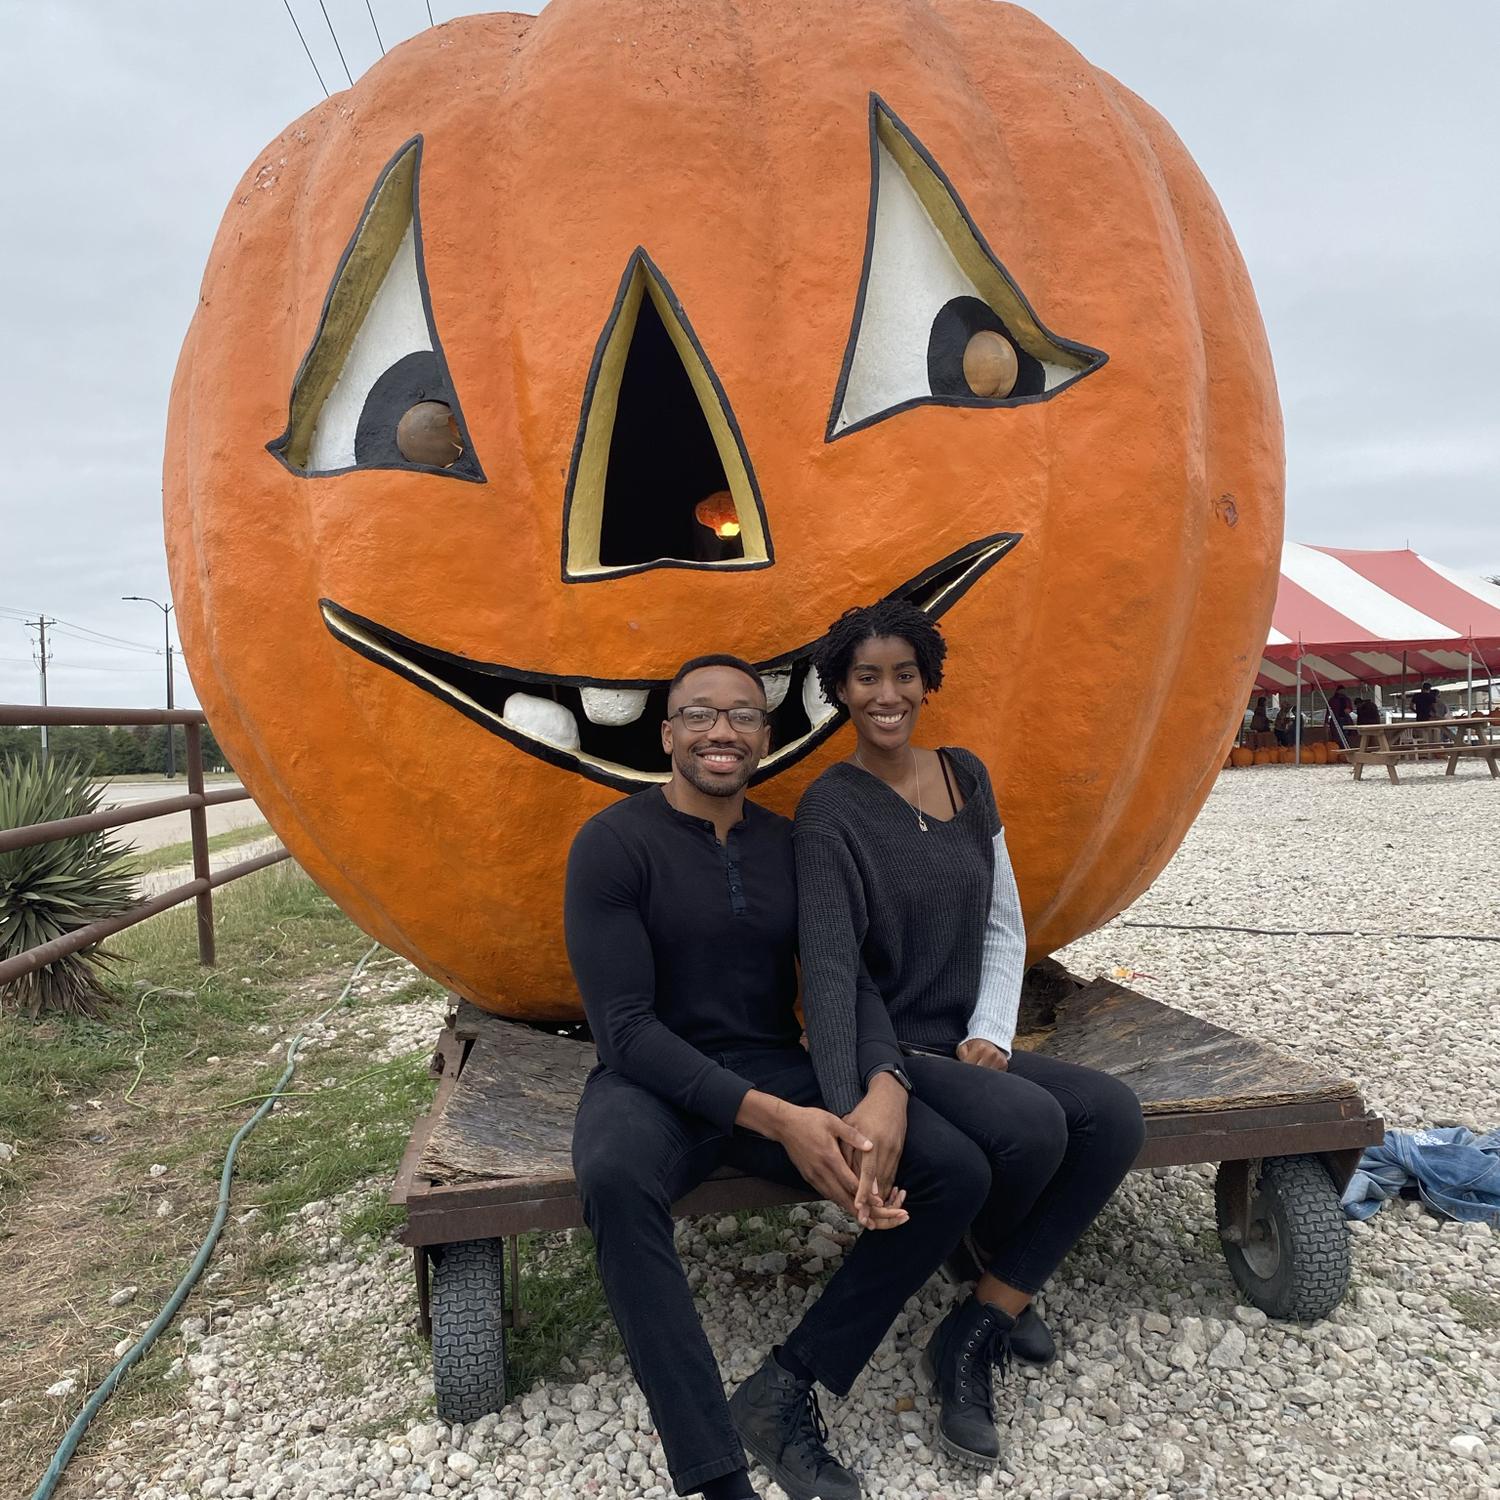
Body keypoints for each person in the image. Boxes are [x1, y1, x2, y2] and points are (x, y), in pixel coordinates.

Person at [565, 654, 996, 1500]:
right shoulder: (612, 845)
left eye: (741, 715)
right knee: (613, 1176)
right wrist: (776, 1119)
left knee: (955, 1170)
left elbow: (845, 975)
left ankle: (787, 1385)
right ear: (668, 735)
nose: (721, 731)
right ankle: (716, 1470)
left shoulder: (790, 844)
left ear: (765, 736)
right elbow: (623, 1029)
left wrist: (883, 1081)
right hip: (650, 1080)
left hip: (772, 1062)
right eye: (699, 715)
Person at [793, 601, 1146, 1469]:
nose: (887, 692)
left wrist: (992, 1027)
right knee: (1031, 1127)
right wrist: (855, 1104)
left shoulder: (965, 776)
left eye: (903, 674)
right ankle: (978, 1260)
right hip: (897, 1052)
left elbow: (1002, 920)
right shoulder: (828, 810)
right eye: (867, 676)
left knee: (1113, 1115)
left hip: (966, 1042)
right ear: (840, 689)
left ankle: (979, 1320)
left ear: (927, 682)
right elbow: (832, 971)